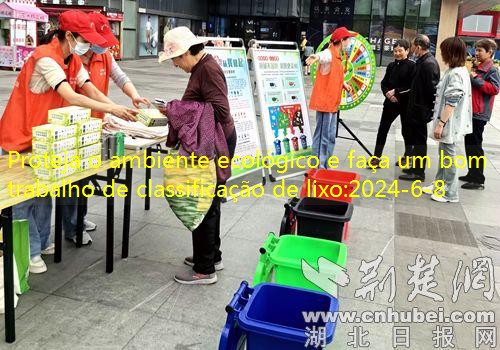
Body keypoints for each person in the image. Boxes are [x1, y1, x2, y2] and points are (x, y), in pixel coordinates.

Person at [0, 10, 137, 274]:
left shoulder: (72, 59)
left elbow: (89, 88)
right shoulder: (44, 58)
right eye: (83, 38)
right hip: (19, 136)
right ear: (70, 36)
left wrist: (117, 109)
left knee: (43, 194)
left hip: (43, 138)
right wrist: (112, 109)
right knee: (22, 200)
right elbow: (69, 95)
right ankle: (28, 251)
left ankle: (41, 242)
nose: (87, 45)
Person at [59, 12, 150, 246]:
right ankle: (72, 227)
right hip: (71, 127)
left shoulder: (105, 56)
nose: (102, 46)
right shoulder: (72, 59)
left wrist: (134, 96)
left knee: (87, 177)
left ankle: (80, 218)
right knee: (71, 181)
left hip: (95, 125)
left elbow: (121, 77)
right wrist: (113, 108)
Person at [158, 26, 236, 285]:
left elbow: (220, 111)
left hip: (214, 145)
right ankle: (211, 255)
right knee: (210, 201)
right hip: (214, 143)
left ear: (186, 53)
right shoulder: (202, 67)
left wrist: (180, 110)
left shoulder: (207, 70)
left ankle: (205, 269)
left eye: (175, 59)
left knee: (203, 203)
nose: (175, 65)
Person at [422, 37, 472, 203]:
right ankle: (440, 184)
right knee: (444, 155)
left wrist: (441, 124)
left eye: (444, 51)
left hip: (449, 123)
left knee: (448, 158)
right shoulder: (456, 70)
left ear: (451, 53)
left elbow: (452, 101)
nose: (441, 54)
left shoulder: (456, 73)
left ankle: (450, 193)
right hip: (448, 122)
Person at [306, 27, 355, 169]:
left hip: (332, 102)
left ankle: (325, 163)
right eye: (348, 39)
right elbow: (322, 56)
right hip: (325, 102)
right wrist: (315, 57)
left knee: (330, 135)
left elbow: (335, 74)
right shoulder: (330, 53)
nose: (350, 42)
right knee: (323, 135)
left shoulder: (338, 56)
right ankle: (319, 165)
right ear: (341, 40)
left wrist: (344, 84)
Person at [399, 34, 440, 181]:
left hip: (420, 109)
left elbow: (432, 90)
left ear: (418, 46)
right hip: (416, 108)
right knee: (415, 140)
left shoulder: (429, 63)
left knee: (420, 141)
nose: (412, 49)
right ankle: (415, 168)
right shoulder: (422, 61)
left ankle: (419, 172)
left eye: (413, 46)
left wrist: (427, 110)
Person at [460, 39, 499, 190]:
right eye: (476, 50)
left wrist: (475, 78)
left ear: (490, 53)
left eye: (480, 50)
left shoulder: (492, 70)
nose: (476, 53)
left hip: (480, 113)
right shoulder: (478, 66)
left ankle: (478, 179)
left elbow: (494, 89)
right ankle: (472, 173)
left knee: (475, 146)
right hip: (471, 111)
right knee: (469, 144)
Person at [370, 39, 415, 168]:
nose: (397, 53)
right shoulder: (391, 66)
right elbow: (384, 83)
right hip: (390, 103)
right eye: (395, 51)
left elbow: (411, 86)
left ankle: (408, 156)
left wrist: (396, 92)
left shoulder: (412, 66)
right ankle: (376, 157)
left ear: (407, 51)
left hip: (405, 104)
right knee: (382, 129)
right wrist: (388, 94)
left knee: (406, 131)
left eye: (400, 50)